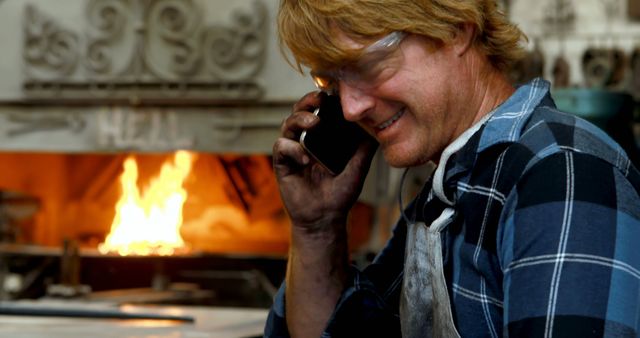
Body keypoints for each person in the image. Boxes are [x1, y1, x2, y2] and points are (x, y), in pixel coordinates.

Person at [265, 0, 640, 337]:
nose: (350, 109)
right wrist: (316, 228)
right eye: (332, 81)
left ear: (457, 29)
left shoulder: (561, 178)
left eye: (368, 66)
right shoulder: (449, 192)